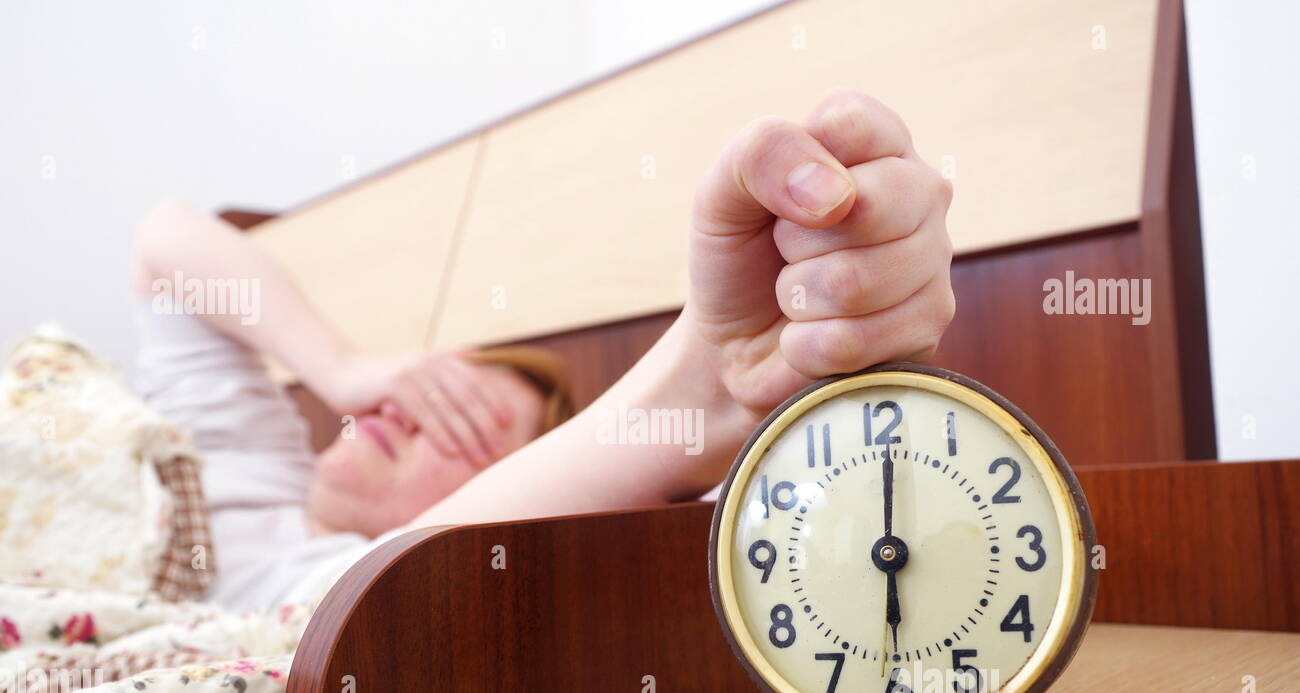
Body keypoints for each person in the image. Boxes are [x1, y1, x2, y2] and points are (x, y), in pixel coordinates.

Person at [130, 89, 954, 611]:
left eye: (459, 420)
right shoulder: (237, 461)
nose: (403, 412)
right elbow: (166, 239)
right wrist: (346, 369)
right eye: (427, 388)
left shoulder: (326, 598)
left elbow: (410, 570)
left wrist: (721, 384)